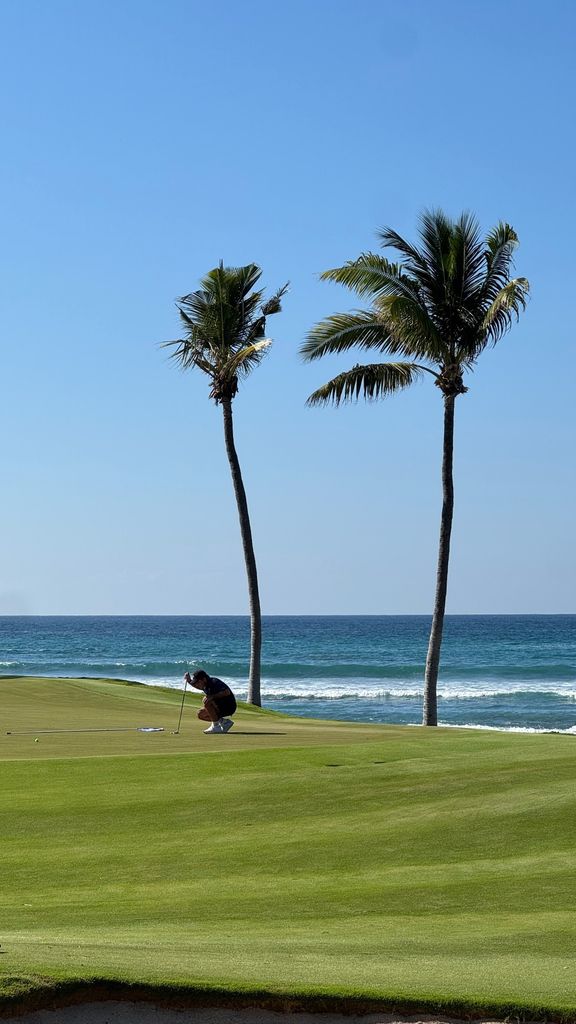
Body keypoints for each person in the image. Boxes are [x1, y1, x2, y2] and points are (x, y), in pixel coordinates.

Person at [184, 669, 236, 734]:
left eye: (198, 682)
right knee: (201, 714)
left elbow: (227, 692)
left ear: (204, 679)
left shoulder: (214, 682)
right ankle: (224, 722)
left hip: (228, 707)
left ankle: (216, 727)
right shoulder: (204, 685)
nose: (197, 684)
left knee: (207, 701)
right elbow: (198, 686)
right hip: (219, 707)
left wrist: (212, 696)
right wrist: (189, 680)